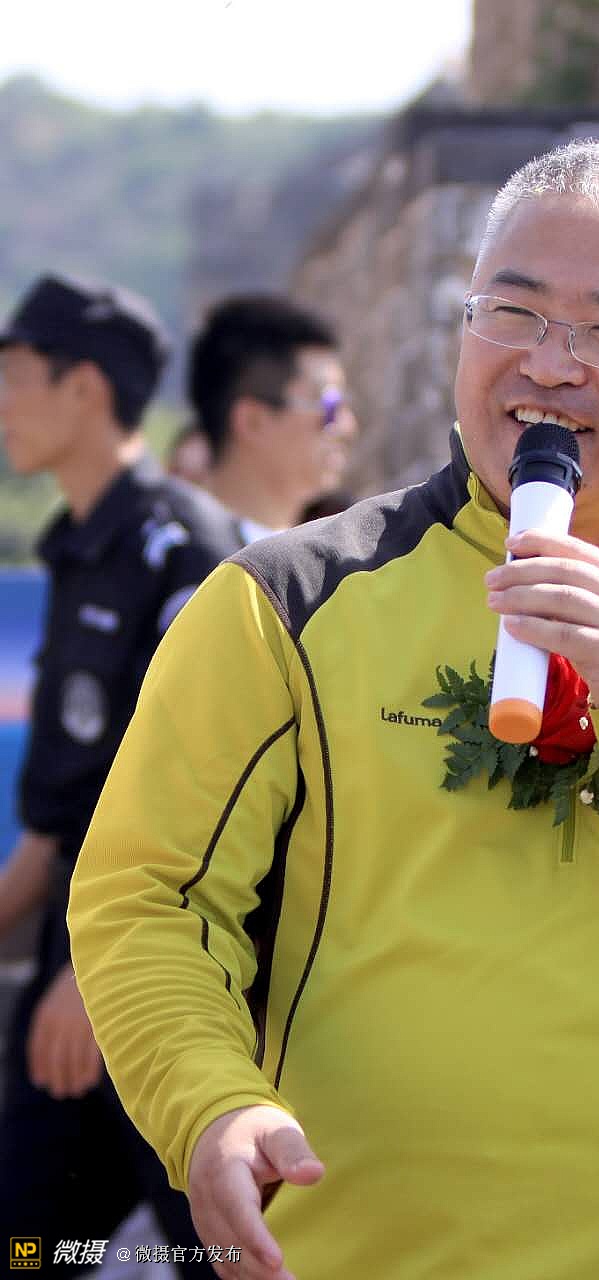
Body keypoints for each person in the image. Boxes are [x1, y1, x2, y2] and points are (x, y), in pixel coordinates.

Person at [68, 141, 599, 1280]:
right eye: (509, 312)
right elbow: (147, 897)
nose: (546, 364)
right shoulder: (288, 598)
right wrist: (208, 1101)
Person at [0, 272, 241, 1269]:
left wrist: (92, 983)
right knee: (29, 1244)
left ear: (85, 387)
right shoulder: (76, 547)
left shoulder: (184, 549)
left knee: (220, 1254)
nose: (2, 405)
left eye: (14, 376)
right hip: (72, 982)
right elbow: (59, 816)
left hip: (157, 992)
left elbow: (209, 796)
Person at [186, 295, 357, 542]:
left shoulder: (333, 556)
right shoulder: (182, 555)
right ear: (253, 421)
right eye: (329, 405)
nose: (347, 426)